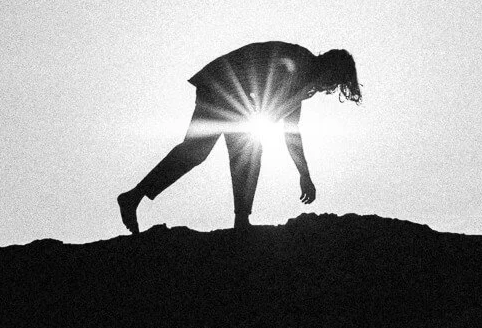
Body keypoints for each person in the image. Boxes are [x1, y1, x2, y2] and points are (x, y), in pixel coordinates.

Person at [118, 41, 361, 233]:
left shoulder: (304, 79)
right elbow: (265, 90)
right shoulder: (300, 64)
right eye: (335, 80)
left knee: (200, 152)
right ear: (330, 69)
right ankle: (241, 221)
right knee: (242, 150)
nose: (331, 87)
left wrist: (304, 174)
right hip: (224, 86)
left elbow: (290, 131)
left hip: (223, 87)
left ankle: (133, 197)